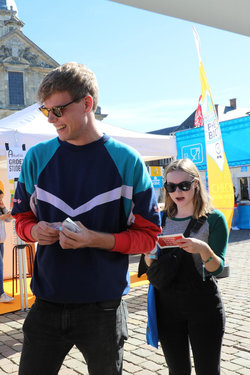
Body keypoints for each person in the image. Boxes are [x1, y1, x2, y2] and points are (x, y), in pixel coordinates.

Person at [11, 62, 161, 375]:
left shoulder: (127, 160)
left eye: (59, 110)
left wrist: (95, 239)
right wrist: (34, 230)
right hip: (47, 301)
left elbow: (148, 237)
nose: (52, 120)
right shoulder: (36, 158)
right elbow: (21, 221)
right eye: (46, 111)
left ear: (87, 103)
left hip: (103, 307)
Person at [144, 158, 228, 375]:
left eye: (184, 185)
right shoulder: (161, 219)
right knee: (177, 370)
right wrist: (149, 252)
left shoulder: (214, 219)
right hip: (166, 305)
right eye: (170, 187)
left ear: (196, 184)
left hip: (203, 304)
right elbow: (151, 266)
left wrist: (203, 249)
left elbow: (218, 269)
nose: (177, 191)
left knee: (208, 370)